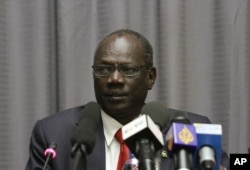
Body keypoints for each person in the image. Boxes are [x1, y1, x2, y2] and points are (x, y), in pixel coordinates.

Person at [25, 29, 229, 170]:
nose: (114, 79)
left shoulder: (191, 129)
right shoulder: (53, 133)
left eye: (128, 70)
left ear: (150, 77)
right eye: (104, 69)